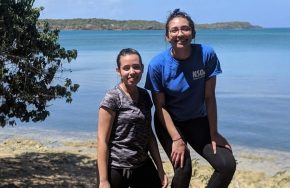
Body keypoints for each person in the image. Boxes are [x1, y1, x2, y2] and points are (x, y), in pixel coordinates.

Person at [145, 9, 236, 188]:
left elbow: (209, 97)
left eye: (185, 29)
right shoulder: (157, 65)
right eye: (174, 30)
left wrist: (214, 132)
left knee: (226, 165)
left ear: (193, 33)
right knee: (183, 168)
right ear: (167, 36)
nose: (180, 34)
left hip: (197, 119)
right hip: (169, 121)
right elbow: (160, 106)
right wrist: (177, 140)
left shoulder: (206, 55)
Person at [97, 48, 168, 188]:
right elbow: (102, 140)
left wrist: (160, 168)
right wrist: (103, 180)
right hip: (116, 167)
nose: (131, 72)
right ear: (118, 71)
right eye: (126, 68)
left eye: (136, 67)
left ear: (142, 68)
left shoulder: (145, 96)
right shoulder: (112, 98)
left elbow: (149, 134)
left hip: (142, 164)